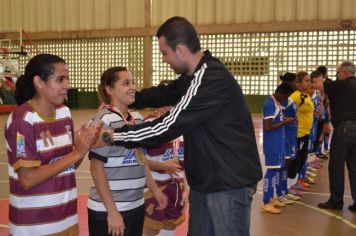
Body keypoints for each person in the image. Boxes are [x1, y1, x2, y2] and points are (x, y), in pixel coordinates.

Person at [95, 16, 262, 236]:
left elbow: (167, 126)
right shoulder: (194, 76)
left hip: (228, 184)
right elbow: (165, 92)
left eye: (165, 53)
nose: (164, 60)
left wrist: (111, 135)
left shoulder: (209, 78)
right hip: (207, 182)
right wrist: (127, 98)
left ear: (181, 49)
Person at [5, 54, 99, 235]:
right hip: (35, 227)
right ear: (39, 82)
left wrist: (84, 146)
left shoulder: (64, 113)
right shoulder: (23, 120)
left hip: (67, 220)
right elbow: (27, 179)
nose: (67, 86)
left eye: (67, 79)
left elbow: (69, 165)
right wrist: (76, 153)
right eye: (60, 79)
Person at [87, 66, 168, 236]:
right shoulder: (103, 120)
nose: (133, 87)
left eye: (133, 82)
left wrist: (155, 190)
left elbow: (140, 159)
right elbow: (96, 168)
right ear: (109, 89)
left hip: (136, 205)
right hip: (108, 210)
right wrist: (113, 212)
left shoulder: (137, 118)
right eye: (126, 83)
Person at [313, 61, 356, 211]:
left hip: (344, 129)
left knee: (336, 165)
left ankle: (336, 201)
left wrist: (318, 77)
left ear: (344, 73)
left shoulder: (340, 85)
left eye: (338, 72)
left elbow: (319, 85)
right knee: (354, 167)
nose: (337, 75)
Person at [143, 106, 189, 236]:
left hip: (176, 190)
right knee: (150, 231)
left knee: (169, 230)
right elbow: (139, 161)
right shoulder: (149, 125)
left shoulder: (182, 125)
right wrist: (163, 166)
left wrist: (185, 190)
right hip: (154, 190)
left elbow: (181, 164)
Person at [260, 82, 295, 214]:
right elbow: (268, 127)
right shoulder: (269, 104)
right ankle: (266, 202)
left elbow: (275, 121)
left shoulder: (277, 103)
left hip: (279, 141)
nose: (286, 99)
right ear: (281, 93)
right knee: (271, 171)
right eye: (286, 96)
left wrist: (283, 119)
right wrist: (285, 122)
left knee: (277, 170)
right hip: (272, 143)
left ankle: (272, 197)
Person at [287, 71, 314, 191]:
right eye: (306, 81)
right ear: (298, 83)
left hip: (306, 133)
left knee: (302, 158)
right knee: (296, 159)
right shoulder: (296, 96)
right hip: (298, 134)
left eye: (310, 81)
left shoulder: (306, 96)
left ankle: (296, 181)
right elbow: (286, 110)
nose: (309, 83)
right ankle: (291, 185)